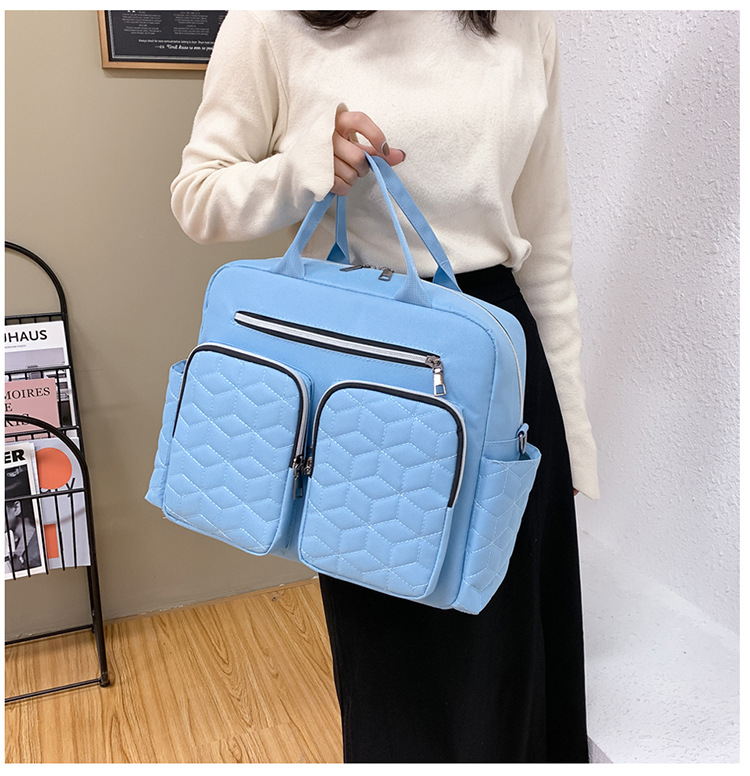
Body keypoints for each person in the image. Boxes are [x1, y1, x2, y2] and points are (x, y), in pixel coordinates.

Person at [170, 10, 599, 764]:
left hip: (503, 361)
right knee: (401, 679)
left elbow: (547, 250)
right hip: (371, 370)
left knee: (518, 663)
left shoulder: (521, 20)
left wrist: (571, 434)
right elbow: (197, 196)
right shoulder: (273, 20)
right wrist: (302, 167)